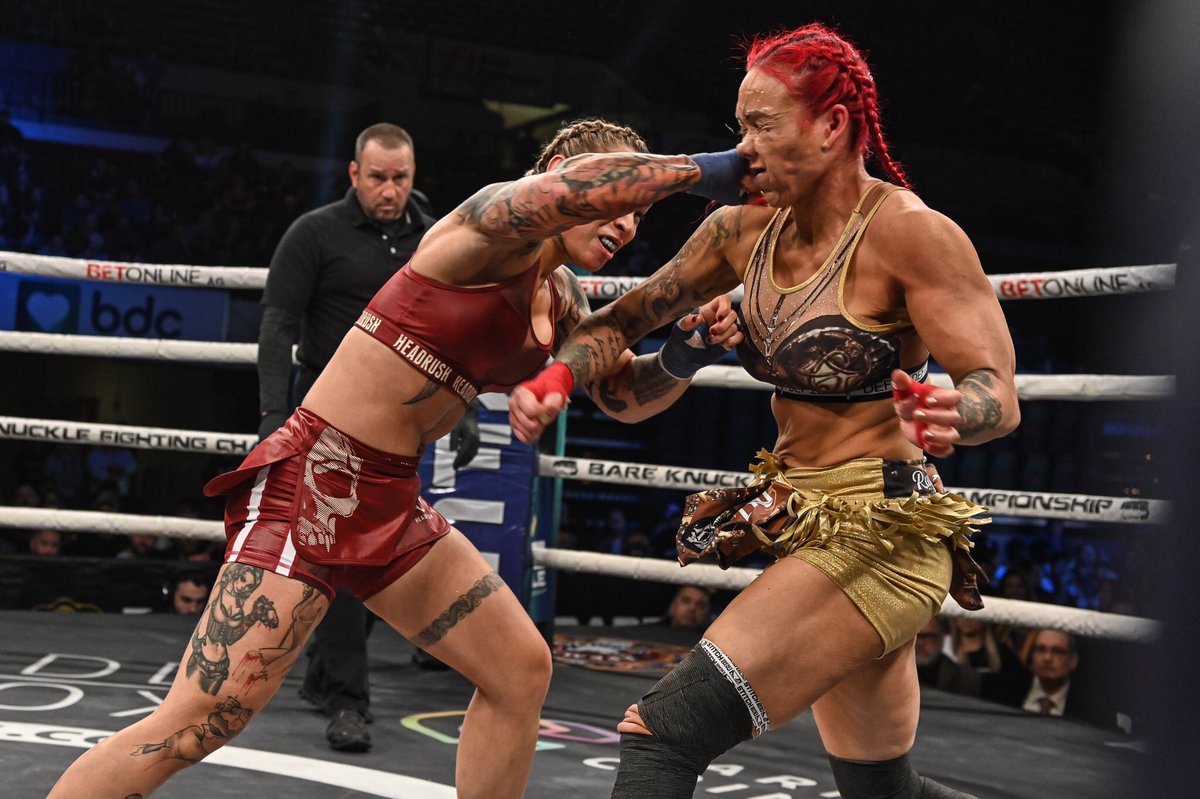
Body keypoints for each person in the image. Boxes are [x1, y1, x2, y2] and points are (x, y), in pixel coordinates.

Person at [47, 117, 745, 799]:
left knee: (519, 669)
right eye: (625, 201)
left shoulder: (561, 297)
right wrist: (709, 169)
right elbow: (574, 191)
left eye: (640, 215)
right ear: (567, 178)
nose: (627, 225)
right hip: (313, 483)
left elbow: (622, 395)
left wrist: (685, 354)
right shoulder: (487, 228)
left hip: (390, 498)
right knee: (196, 724)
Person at [510, 24, 1020, 799]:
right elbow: (622, 322)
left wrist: (958, 409)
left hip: (885, 529)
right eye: (739, 127)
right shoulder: (739, 231)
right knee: (882, 789)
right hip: (802, 518)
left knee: (662, 732)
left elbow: (996, 391)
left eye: (761, 126)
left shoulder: (908, 234)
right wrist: (557, 378)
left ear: (832, 126)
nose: (743, 149)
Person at [256, 122, 440, 753]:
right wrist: (271, 414)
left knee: (383, 555)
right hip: (329, 417)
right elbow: (278, 323)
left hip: (407, 421)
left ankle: (323, 674)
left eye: (400, 178)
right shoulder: (314, 233)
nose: (390, 190)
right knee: (341, 553)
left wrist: (463, 413)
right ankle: (347, 700)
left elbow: (448, 332)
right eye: (378, 177)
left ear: (413, 175)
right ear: (354, 174)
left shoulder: (435, 238)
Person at [914, 616, 981, 697]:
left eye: (928, 636)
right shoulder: (898, 674)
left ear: (941, 638)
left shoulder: (967, 679)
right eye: (914, 636)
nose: (920, 643)